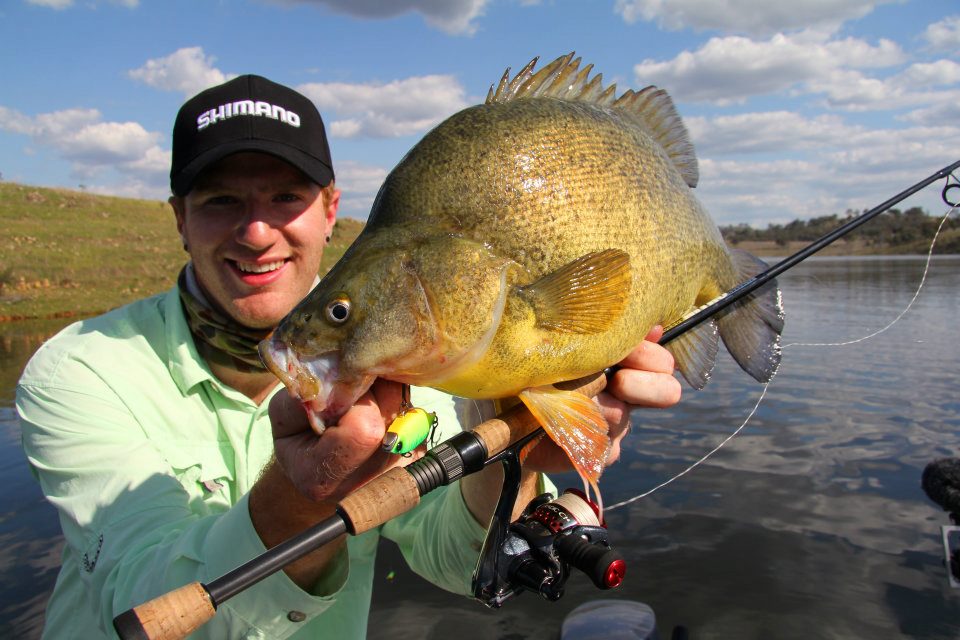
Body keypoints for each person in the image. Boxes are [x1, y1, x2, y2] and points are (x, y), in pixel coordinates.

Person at [17, 75, 682, 639]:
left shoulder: (413, 352)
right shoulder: (78, 370)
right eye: (221, 200)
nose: (255, 231)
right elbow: (134, 599)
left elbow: (455, 558)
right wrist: (298, 503)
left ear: (330, 209)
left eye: (285, 197)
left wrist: (514, 449)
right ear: (180, 219)